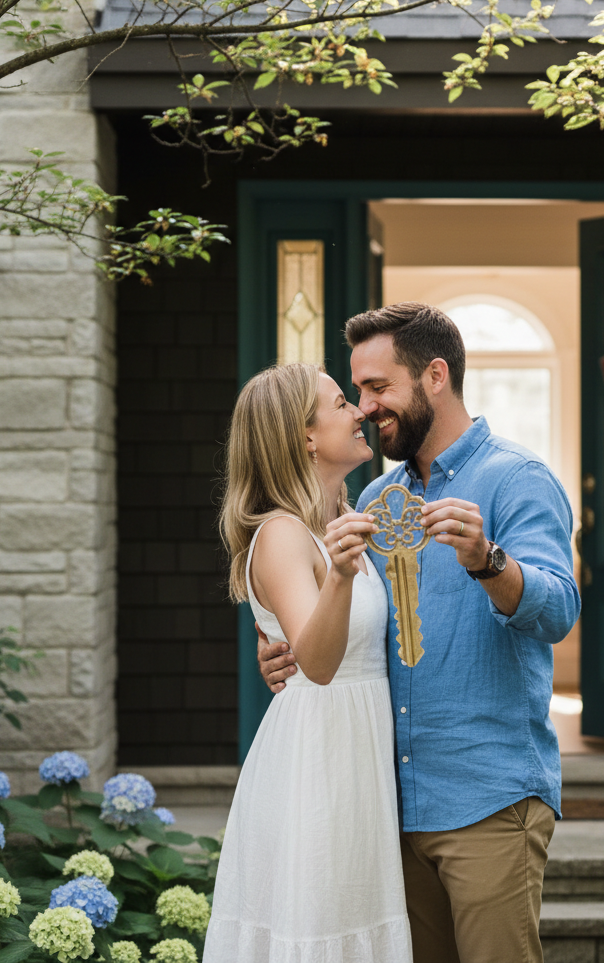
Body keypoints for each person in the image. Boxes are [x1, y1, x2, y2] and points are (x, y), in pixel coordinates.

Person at [259, 303, 581, 963]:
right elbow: (342, 620)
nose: (365, 406)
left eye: (378, 388)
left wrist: (489, 563)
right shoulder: (377, 500)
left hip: (488, 798)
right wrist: (283, 650)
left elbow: (558, 611)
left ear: (435, 375)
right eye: (356, 391)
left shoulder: (517, 479)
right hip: (389, 805)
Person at [204, 361, 413, 963]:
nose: (360, 412)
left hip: (359, 749)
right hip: (319, 761)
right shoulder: (281, 534)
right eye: (343, 403)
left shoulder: (343, 520)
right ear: (304, 436)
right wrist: (343, 575)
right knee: (322, 924)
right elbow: (318, 664)